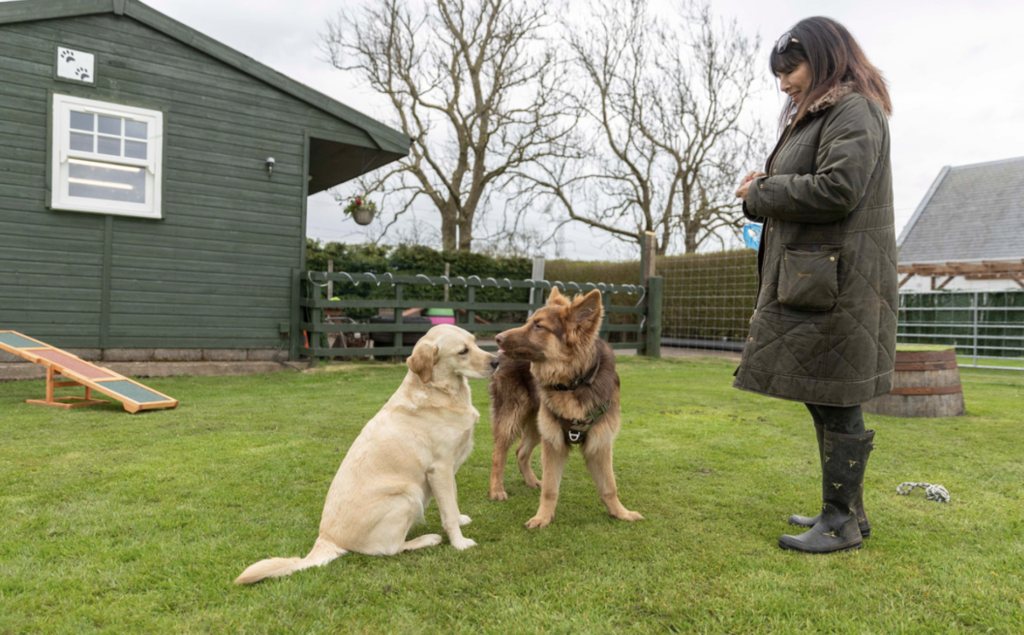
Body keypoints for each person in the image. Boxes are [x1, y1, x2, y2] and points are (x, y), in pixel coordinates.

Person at [733, 17, 897, 553]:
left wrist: (761, 191)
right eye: (778, 74)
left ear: (825, 58)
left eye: (791, 69)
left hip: (837, 283)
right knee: (823, 395)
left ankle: (841, 520)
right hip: (819, 278)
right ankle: (848, 510)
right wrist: (767, 187)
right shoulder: (824, 112)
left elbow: (838, 188)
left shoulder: (854, 109)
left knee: (837, 397)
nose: (783, 83)